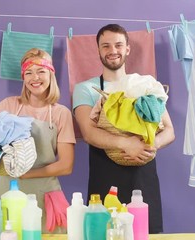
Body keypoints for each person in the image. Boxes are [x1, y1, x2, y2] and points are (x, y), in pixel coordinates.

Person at [72, 24, 175, 234]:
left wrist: (149, 145)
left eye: (118, 45)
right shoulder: (86, 89)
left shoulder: (146, 85)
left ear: (127, 49)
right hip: (105, 177)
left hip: (143, 176)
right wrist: (126, 143)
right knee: (103, 233)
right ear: (98, 50)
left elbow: (170, 131)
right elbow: (89, 133)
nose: (113, 50)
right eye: (106, 46)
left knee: (145, 234)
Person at [0, 48, 76, 233]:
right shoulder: (9, 106)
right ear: (23, 78)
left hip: (46, 195)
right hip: (10, 193)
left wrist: (24, 174)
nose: (35, 78)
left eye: (41, 71)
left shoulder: (60, 113)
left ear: (51, 74)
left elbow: (66, 165)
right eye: (29, 72)